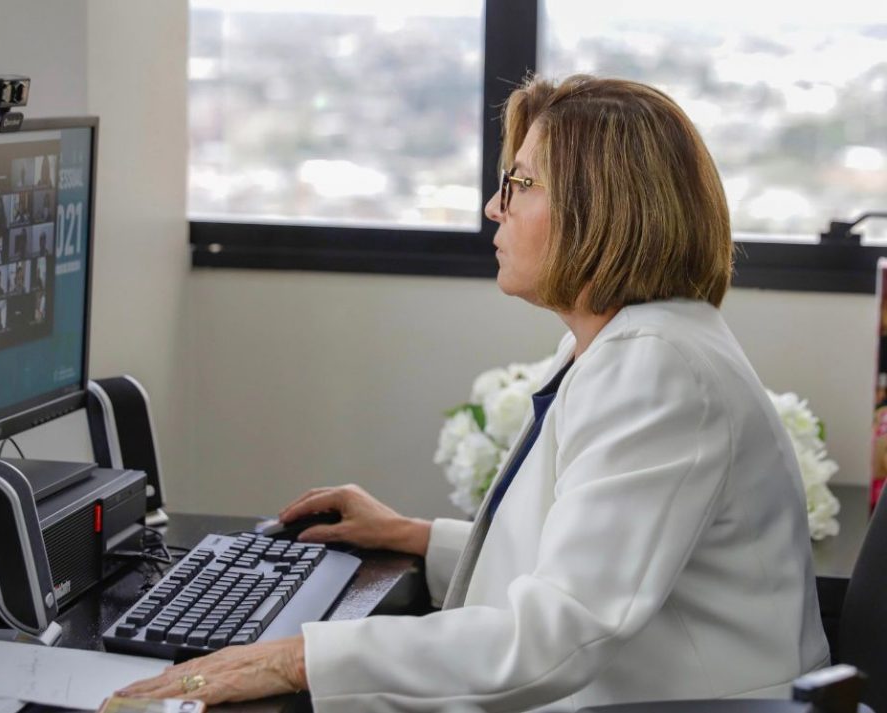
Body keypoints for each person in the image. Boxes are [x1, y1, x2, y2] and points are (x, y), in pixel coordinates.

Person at [116, 76, 830, 711]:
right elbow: (583, 566)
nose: (494, 207)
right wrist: (416, 538)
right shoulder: (625, 345)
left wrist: (295, 658)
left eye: (519, 185)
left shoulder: (659, 371)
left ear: (598, 208)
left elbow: (555, 638)